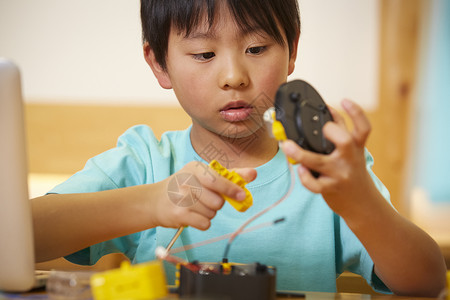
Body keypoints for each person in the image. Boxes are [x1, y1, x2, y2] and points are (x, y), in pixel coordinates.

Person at [31, 0, 447, 296]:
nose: (234, 76)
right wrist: (153, 203)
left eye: (257, 48)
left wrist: (359, 201)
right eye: (203, 53)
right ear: (159, 63)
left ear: (293, 50)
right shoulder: (145, 161)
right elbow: (21, 235)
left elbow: (426, 281)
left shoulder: (329, 171)